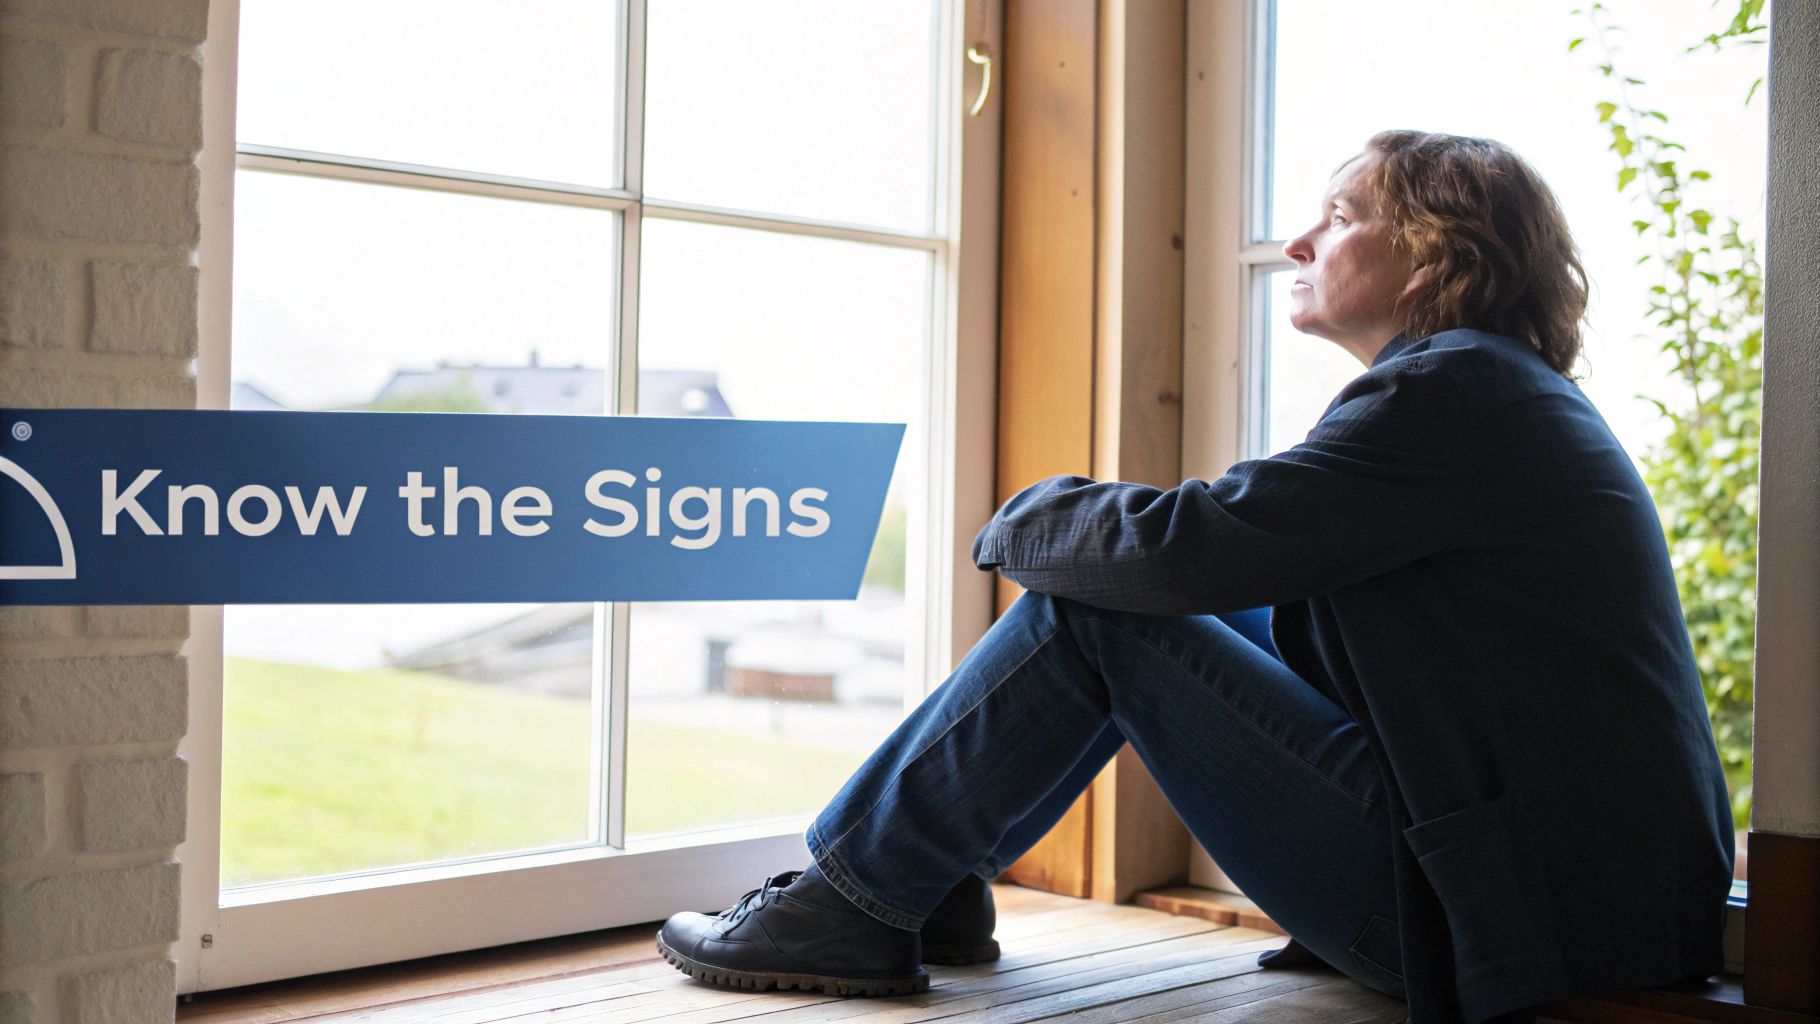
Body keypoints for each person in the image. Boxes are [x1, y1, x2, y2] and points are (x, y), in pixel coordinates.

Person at [654, 130, 1735, 1024]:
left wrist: (1019, 512)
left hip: (1505, 929)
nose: (1299, 241)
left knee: (1097, 611)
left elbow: (1187, 547)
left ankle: (855, 900)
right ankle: (917, 882)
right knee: (1163, 596)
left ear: (1429, 258)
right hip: (1572, 910)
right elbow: (1239, 562)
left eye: (1340, 215)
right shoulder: (1500, 392)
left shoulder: (1450, 391)